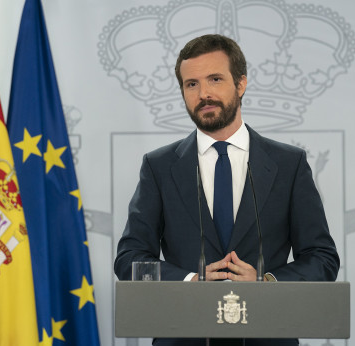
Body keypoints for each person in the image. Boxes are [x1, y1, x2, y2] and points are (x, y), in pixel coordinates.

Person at [114, 34, 340, 346]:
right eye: (191, 84)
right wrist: (190, 282)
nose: (203, 93)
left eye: (215, 79)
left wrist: (267, 283)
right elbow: (130, 259)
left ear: (241, 84)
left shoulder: (289, 164)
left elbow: (322, 258)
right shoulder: (158, 166)